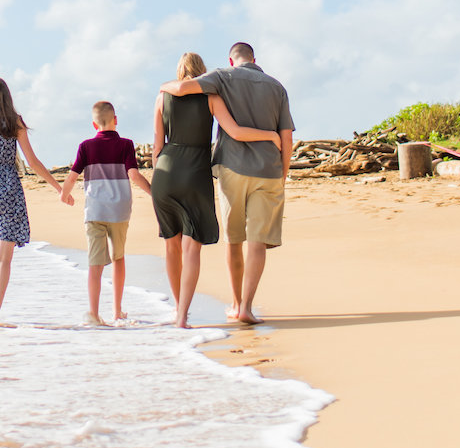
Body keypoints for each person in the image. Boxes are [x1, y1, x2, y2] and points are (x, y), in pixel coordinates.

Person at [160, 41, 294, 324]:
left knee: (234, 241)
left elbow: (183, 89)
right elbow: (286, 137)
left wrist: (164, 85)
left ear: (231, 61)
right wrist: (283, 173)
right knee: (257, 242)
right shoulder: (277, 87)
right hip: (268, 170)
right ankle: (245, 306)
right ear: (255, 59)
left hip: (231, 169)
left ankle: (231, 304)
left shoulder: (222, 77)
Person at [0, 76, 70, 325]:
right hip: (9, 195)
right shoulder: (15, 123)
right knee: (3, 260)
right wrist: (58, 188)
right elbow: (32, 162)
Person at [62, 100, 151, 326]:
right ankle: (117, 311)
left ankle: (93, 312)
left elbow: (72, 177)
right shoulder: (126, 145)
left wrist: (65, 194)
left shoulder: (85, 147)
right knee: (118, 257)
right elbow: (133, 175)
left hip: (95, 210)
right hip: (120, 210)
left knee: (95, 263)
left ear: (94, 125)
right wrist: (154, 193)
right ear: (116, 120)